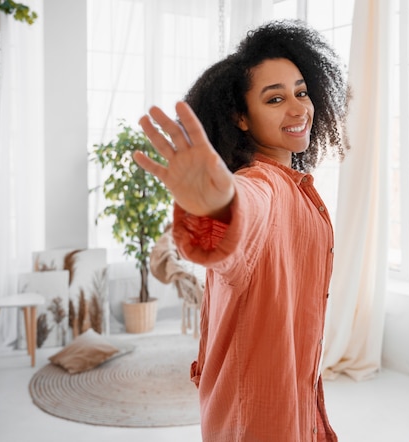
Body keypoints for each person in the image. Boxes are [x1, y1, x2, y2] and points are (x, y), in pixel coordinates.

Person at [133, 19, 350, 442]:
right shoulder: (261, 184)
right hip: (254, 422)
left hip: (295, 403)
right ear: (241, 118)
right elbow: (243, 214)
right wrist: (214, 204)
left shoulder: (297, 187)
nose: (298, 108)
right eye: (274, 99)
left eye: (301, 92)